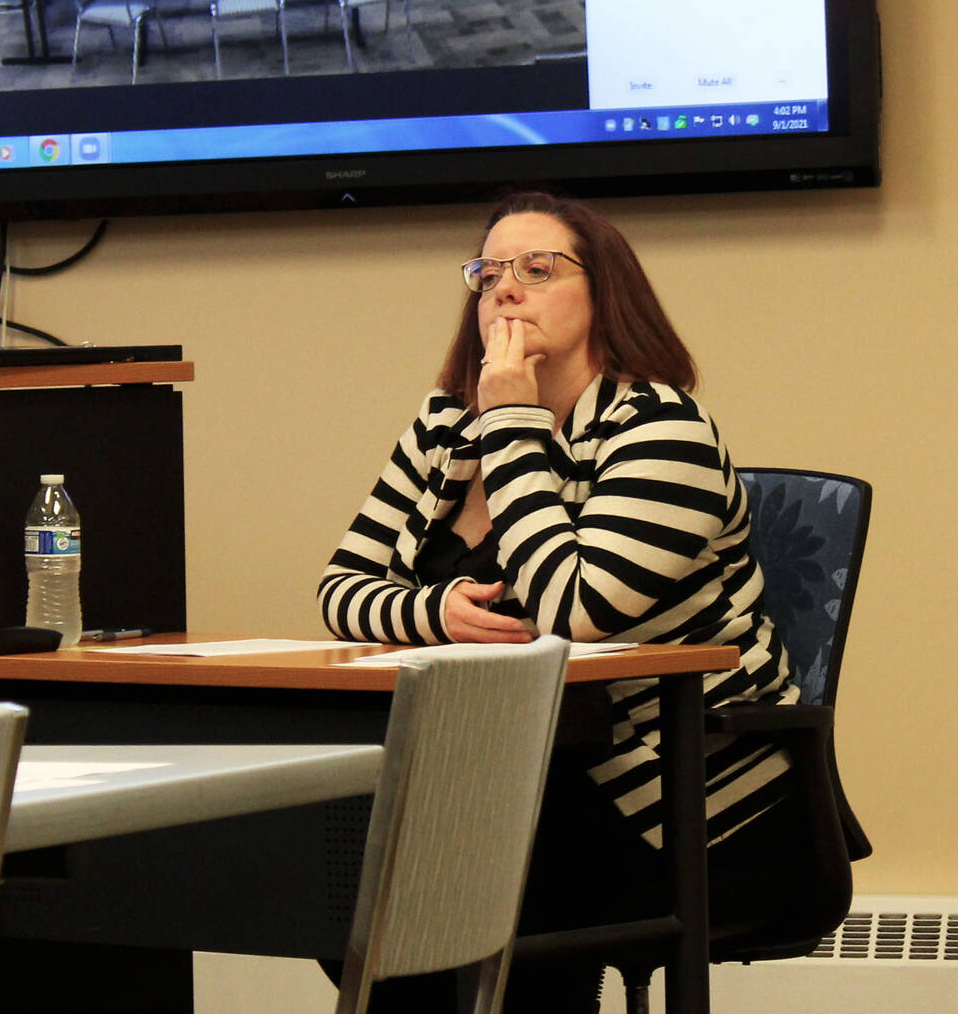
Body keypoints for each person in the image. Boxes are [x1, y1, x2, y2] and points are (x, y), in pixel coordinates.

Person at [316, 190, 812, 1012]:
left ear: (604, 294)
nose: (506, 289)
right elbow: (341, 589)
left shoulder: (663, 430)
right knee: (347, 871)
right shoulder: (444, 429)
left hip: (680, 804)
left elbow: (570, 611)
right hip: (500, 778)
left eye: (538, 269)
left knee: (439, 891)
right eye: (488, 273)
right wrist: (434, 612)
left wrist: (513, 421)